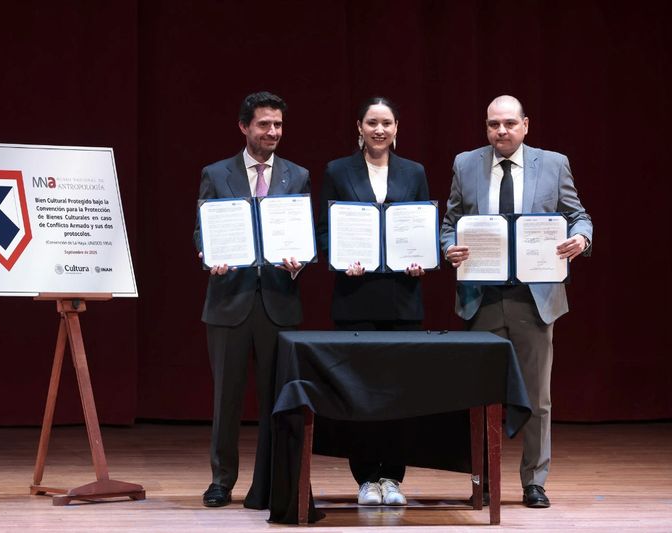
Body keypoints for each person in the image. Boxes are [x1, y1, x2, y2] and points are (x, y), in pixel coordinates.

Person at [441, 95, 593, 508]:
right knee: (479, 394)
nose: (501, 131)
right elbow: (450, 222)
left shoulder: (554, 164)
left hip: (534, 297)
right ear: (486, 127)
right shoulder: (465, 164)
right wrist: (448, 246)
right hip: (482, 297)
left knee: (538, 397)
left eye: (509, 123)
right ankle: (483, 478)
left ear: (526, 125)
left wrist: (581, 238)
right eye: (494, 124)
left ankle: (534, 481)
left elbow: (579, 216)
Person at [193, 91, 310, 509]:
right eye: (264, 124)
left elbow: (302, 232)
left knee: (275, 398)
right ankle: (221, 480)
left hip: (278, 301)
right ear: (244, 127)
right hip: (229, 299)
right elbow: (203, 228)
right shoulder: (216, 173)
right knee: (226, 398)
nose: (272, 132)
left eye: (278, 124)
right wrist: (208, 254)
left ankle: (270, 483)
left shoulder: (297, 175)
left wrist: (298, 262)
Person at [316, 96, 429, 506]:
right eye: (371, 123)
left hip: (402, 299)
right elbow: (323, 232)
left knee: (399, 393)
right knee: (359, 393)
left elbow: (423, 226)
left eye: (386, 123)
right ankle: (365, 478)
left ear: (397, 128)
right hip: (355, 298)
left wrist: (422, 259)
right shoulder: (337, 170)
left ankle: (393, 478)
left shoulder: (414, 172)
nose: (379, 130)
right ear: (359, 127)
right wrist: (340, 257)